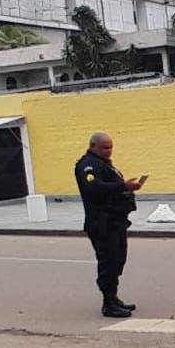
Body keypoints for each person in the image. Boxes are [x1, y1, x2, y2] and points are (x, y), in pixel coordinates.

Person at [75, 132, 143, 317]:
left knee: (118, 260)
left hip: (116, 221)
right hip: (101, 223)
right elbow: (94, 188)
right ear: (93, 145)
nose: (109, 151)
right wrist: (123, 187)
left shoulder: (105, 164)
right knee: (108, 263)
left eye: (111, 147)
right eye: (105, 147)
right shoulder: (87, 165)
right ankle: (108, 303)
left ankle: (114, 298)